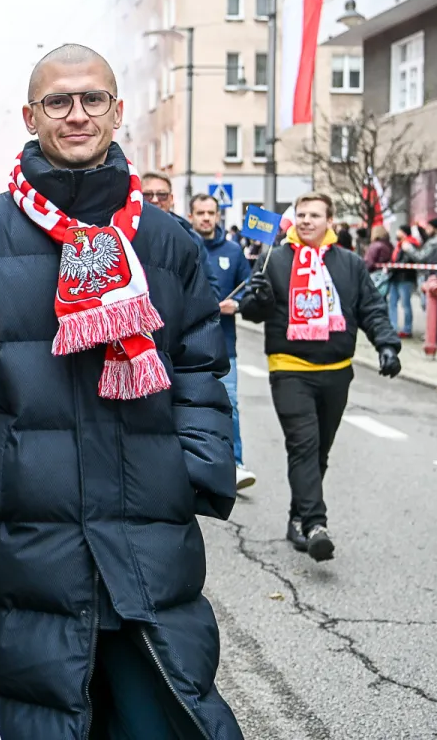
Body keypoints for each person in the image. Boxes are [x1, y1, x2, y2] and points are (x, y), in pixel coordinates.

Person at [0, 44, 241, 739]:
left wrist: (195, 471)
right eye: (58, 101)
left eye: (92, 99)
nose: (76, 114)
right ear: (31, 115)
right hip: (19, 541)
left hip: (143, 540)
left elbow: (203, 367)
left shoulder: (167, 240)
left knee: (160, 718)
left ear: (118, 113)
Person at [239, 192, 401, 562]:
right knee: (303, 445)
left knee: (319, 450)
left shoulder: (349, 263)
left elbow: (371, 308)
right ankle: (315, 525)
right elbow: (252, 310)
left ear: (330, 221)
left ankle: (297, 516)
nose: (307, 220)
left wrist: (387, 345)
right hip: (289, 368)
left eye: (315, 215)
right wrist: (258, 299)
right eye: (301, 214)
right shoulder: (274, 260)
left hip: (336, 372)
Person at [190, 192, 254, 489]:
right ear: (190, 215)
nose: (205, 218)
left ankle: (236, 463)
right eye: (200, 212)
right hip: (188, 346)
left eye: (210, 213)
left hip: (224, 345)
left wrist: (237, 304)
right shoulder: (183, 244)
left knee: (230, 405)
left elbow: (250, 288)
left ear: (218, 216)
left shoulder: (233, 251)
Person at [142, 170, 214, 273]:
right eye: (147, 194)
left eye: (162, 195)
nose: (154, 200)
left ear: (171, 199)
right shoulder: (124, 234)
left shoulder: (189, 237)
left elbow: (208, 282)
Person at [388, 224, 420, 338]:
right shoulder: (399, 245)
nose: (397, 233)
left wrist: (391, 267)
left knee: (405, 304)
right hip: (396, 277)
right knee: (392, 302)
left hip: (405, 277)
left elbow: (405, 261)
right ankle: (393, 327)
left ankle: (407, 329)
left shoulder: (408, 245)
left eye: (399, 231)